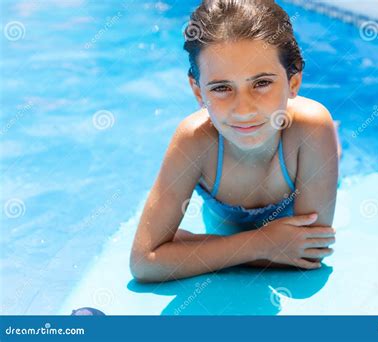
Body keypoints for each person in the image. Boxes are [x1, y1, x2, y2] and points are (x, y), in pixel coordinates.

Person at [130, 0, 339, 283]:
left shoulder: (311, 129)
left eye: (262, 83)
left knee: (332, 150)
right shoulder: (194, 141)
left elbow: (310, 253)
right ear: (198, 91)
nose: (244, 110)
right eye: (221, 88)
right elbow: (144, 262)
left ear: (293, 83)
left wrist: (193, 249)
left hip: (310, 145)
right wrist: (262, 243)